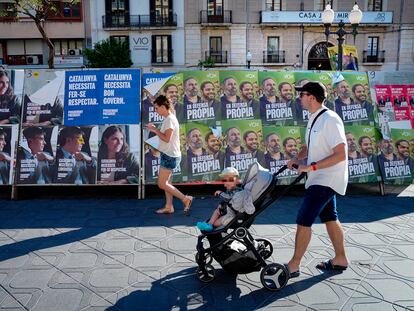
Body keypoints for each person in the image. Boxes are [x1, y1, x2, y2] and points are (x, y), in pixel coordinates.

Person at [287, 81, 348, 278]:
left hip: (326, 178)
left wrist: (310, 167)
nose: (299, 98)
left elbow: (341, 154)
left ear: (312, 97)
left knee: (304, 219)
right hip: (319, 177)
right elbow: (309, 145)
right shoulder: (314, 117)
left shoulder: (330, 119)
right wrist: (297, 158)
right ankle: (340, 259)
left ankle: (294, 264)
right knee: (330, 217)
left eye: (302, 94)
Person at [146, 95, 193, 215]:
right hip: (170, 154)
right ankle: (169, 206)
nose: (156, 110)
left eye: (157, 108)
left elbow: (167, 139)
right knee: (167, 183)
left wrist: (154, 130)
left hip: (169, 156)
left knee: (162, 184)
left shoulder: (169, 119)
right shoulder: (169, 118)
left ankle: (185, 199)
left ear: (163, 106)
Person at [196, 167, 242, 231]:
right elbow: (226, 200)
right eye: (225, 180)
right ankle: (209, 224)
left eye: (230, 180)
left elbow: (228, 198)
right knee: (217, 210)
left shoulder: (238, 190)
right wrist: (221, 204)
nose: (227, 183)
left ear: (237, 180)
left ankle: (211, 225)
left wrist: (220, 193)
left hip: (232, 214)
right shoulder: (230, 189)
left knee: (215, 224)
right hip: (226, 210)